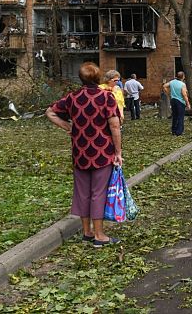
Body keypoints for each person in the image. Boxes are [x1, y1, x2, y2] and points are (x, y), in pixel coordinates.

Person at [46, 62, 122, 247]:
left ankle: (86, 232)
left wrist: (68, 127)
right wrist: (118, 152)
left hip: (80, 152)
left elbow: (50, 112)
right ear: (98, 78)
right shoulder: (106, 97)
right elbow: (114, 125)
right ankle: (99, 236)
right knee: (98, 193)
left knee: (82, 192)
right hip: (102, 151)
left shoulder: (72, 97)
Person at [164, 71, 190, 136]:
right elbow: (184, 94)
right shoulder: (182, 84)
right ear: (183, 76)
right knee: (180, 117)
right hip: (180, 102)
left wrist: (169, 94)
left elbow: (164, 86)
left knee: (175, 116)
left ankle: (173, 131)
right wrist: (188, 103)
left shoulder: (172, 82)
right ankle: (179, 132)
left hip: (173, 100)